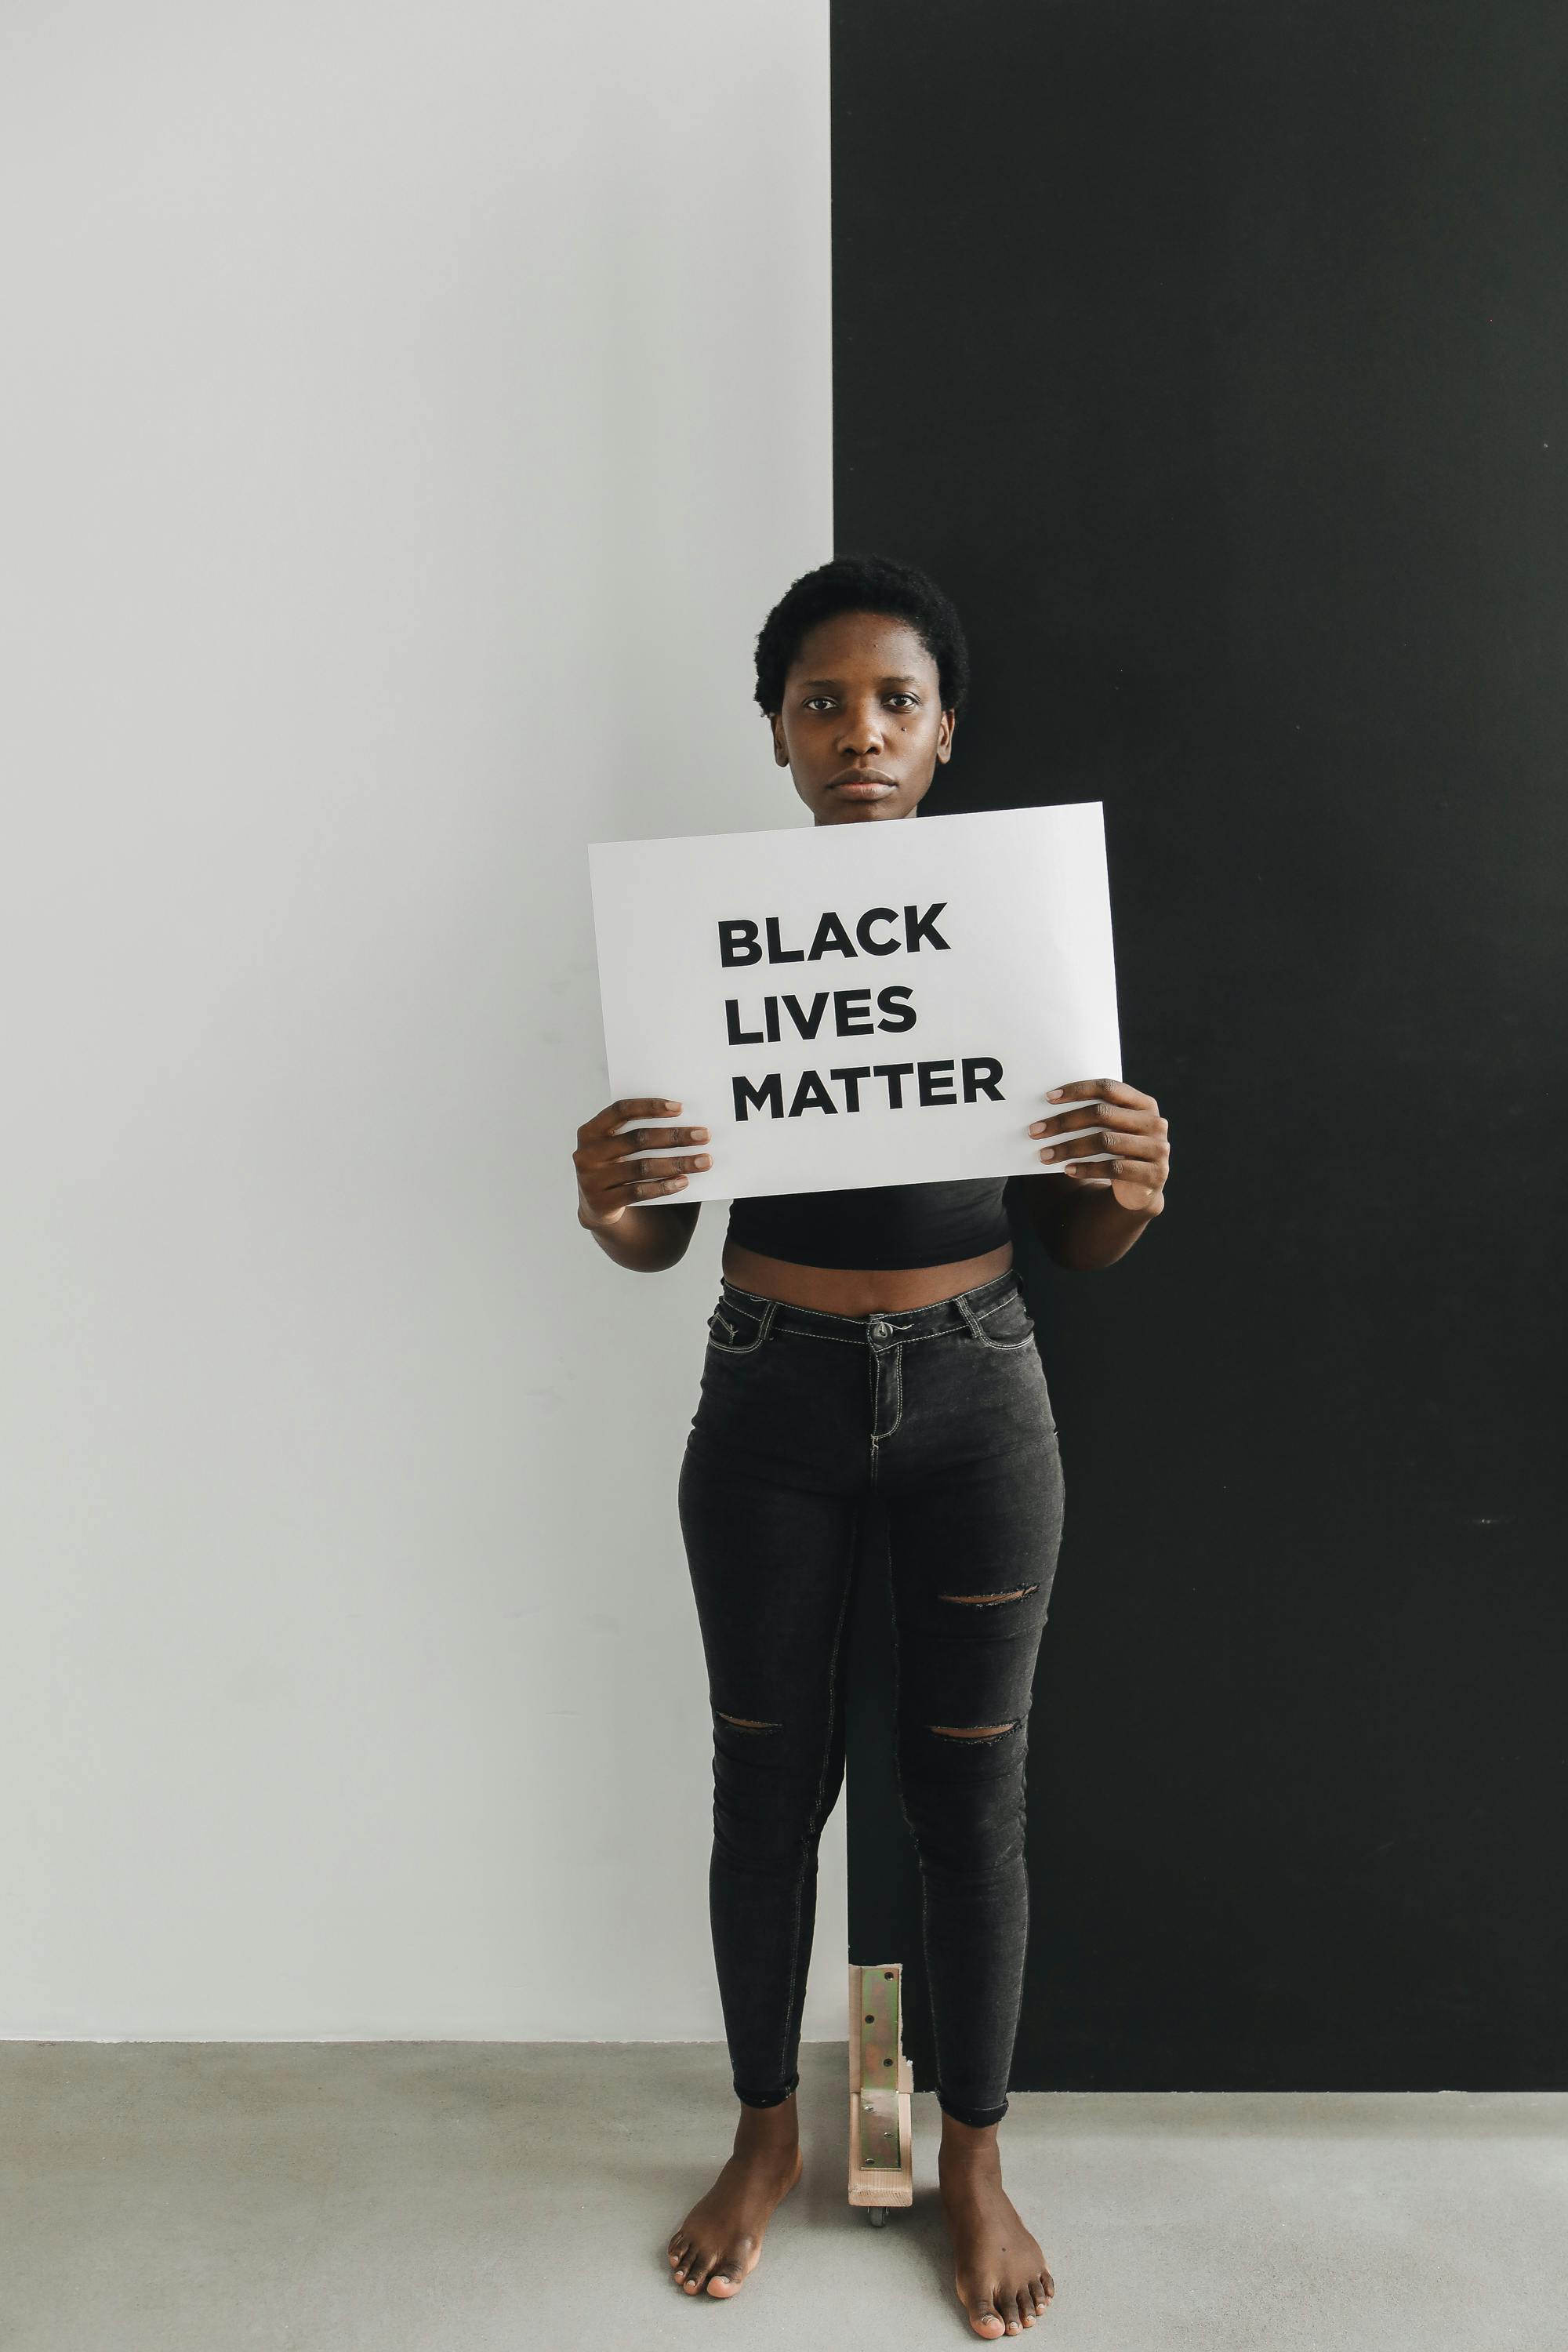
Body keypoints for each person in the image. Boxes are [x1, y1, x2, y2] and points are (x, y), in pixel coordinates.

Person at [572, 554, 1171, 2340]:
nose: (858, 732)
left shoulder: (1019, 924)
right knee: (764, 1785)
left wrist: (1128, 1186)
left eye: (893, 701)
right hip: (766, 1389)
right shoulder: (714, 939)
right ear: (773, 732)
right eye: (820, 702)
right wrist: (605, 1199)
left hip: (979, 1382)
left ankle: (967, 2158)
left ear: (944, 731)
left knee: (968, 1798)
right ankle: (768, 2133)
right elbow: (657, 1239)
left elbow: (1077, 1240)